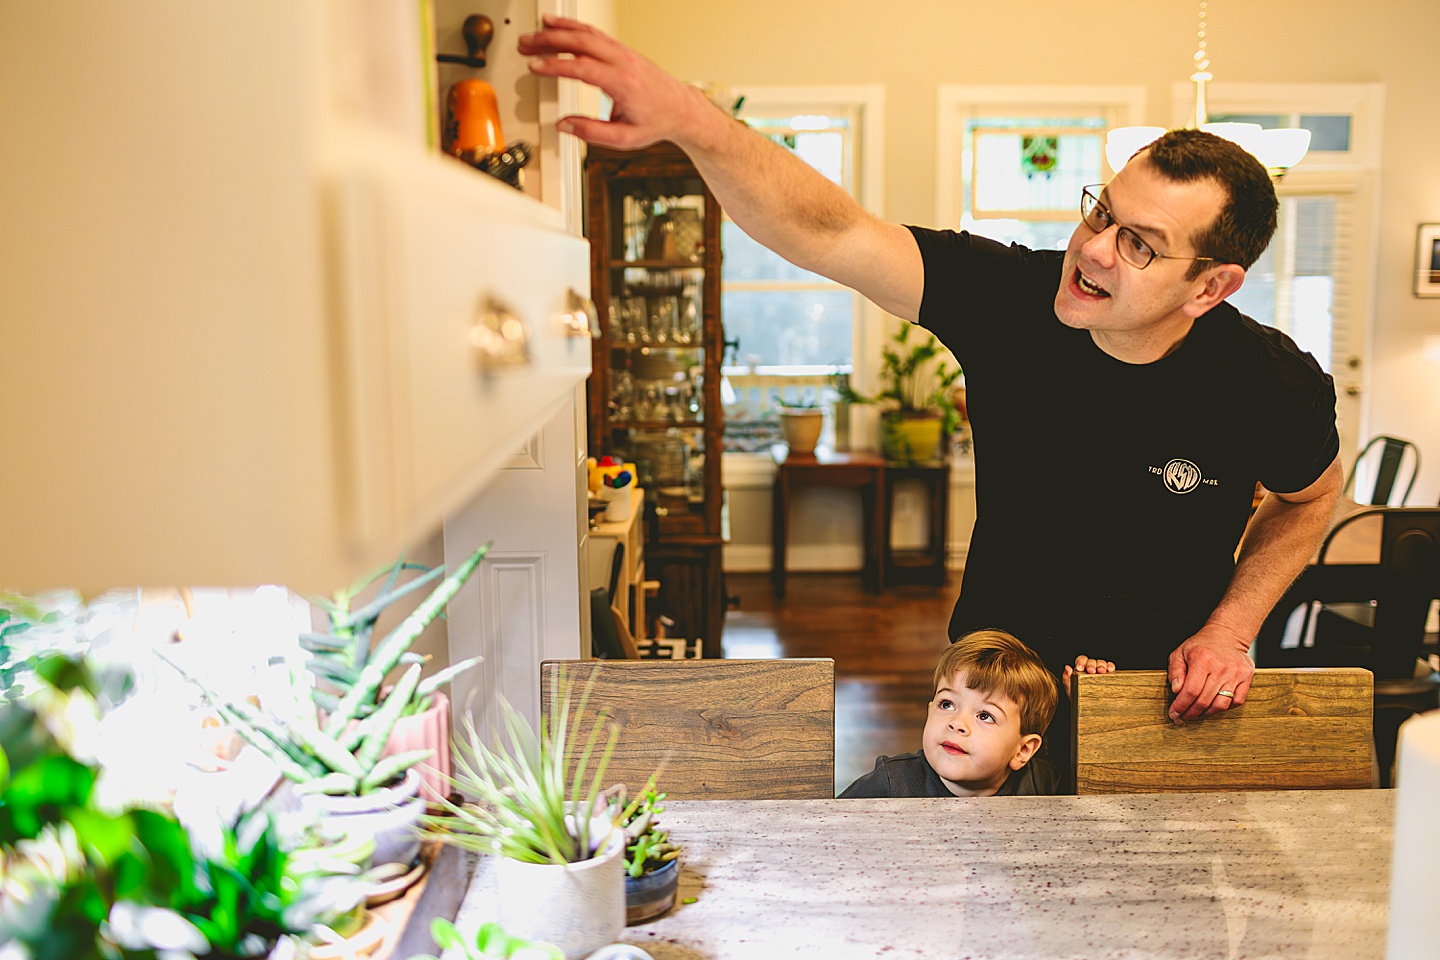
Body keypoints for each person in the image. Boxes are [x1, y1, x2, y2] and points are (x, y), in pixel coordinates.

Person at [518, 18, 1343, 738]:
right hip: (989, 689)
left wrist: (1231, 631)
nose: (1092, 249)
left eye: (1141, 244)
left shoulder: (1268, 379)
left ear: (1211, 286)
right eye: (1101, 212)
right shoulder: (1009, 299)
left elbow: (1310, 496)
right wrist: (697, 124)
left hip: (1162, 702)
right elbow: (832, 231)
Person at [839, 631, 1112, 798]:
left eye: (985, 716)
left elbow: (1104, 799)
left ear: (1023, 750)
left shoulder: (1041, 784)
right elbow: (824, 832)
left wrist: (1096, 705)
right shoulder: (890, 783)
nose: (957, 723)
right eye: (946, 704)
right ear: (929, 710)